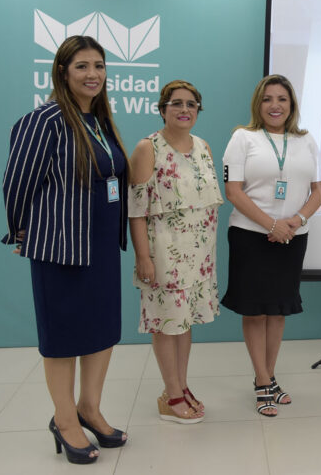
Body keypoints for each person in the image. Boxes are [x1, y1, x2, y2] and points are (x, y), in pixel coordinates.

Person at [2, 35, 129, 463]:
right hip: (61, 246)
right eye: (82, 66)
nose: (93, 74)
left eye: (99, 65)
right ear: (62, 72)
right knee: (63, 336)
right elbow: (17, 183)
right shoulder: (45, 120)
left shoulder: (101, 118)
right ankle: (65, 418)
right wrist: (22, 231)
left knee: (102, 330)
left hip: (102, 246)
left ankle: (89, 408)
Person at [222, 74, 321, 417]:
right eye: (267, 99)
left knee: (278, 309)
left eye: (282, 99)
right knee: (255, 311)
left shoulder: (307, 140)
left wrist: (295, 221)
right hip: (251, 236)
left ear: (291, 104)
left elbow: (320, 191)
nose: (275, 105)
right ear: (258, 103)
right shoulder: (243, 138)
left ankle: (268, 376)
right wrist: (271, 224)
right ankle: (263, 381)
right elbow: (233, 191)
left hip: (292, 237)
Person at [128, 80, 223, 424]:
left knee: (185, 324)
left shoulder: (203, 147)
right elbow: (136, 211)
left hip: (199, 256)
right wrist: (143, 258)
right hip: (164, 255)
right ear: (162, 109)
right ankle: (171, 396)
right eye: (176, 103)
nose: (184, 110)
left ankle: (181, 386)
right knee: (166, 324)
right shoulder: (148, 148)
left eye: (191, 104)